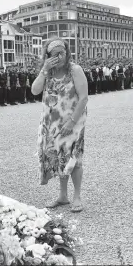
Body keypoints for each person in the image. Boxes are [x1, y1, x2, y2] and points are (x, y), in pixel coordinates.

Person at [31, 38, 88, 213]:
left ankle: (77, 196)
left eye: (62, 52)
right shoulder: (47, 72)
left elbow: (84, 97)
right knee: (59, 157)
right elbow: (34, 90)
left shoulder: (75, 70)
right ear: (47, 56)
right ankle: (63, 196)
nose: (60, 56)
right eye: (55, 54)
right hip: (52, 123)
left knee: (73, 158)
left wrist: (71, 122)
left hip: (73, 121)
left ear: (67, 52)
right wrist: (44, 70)